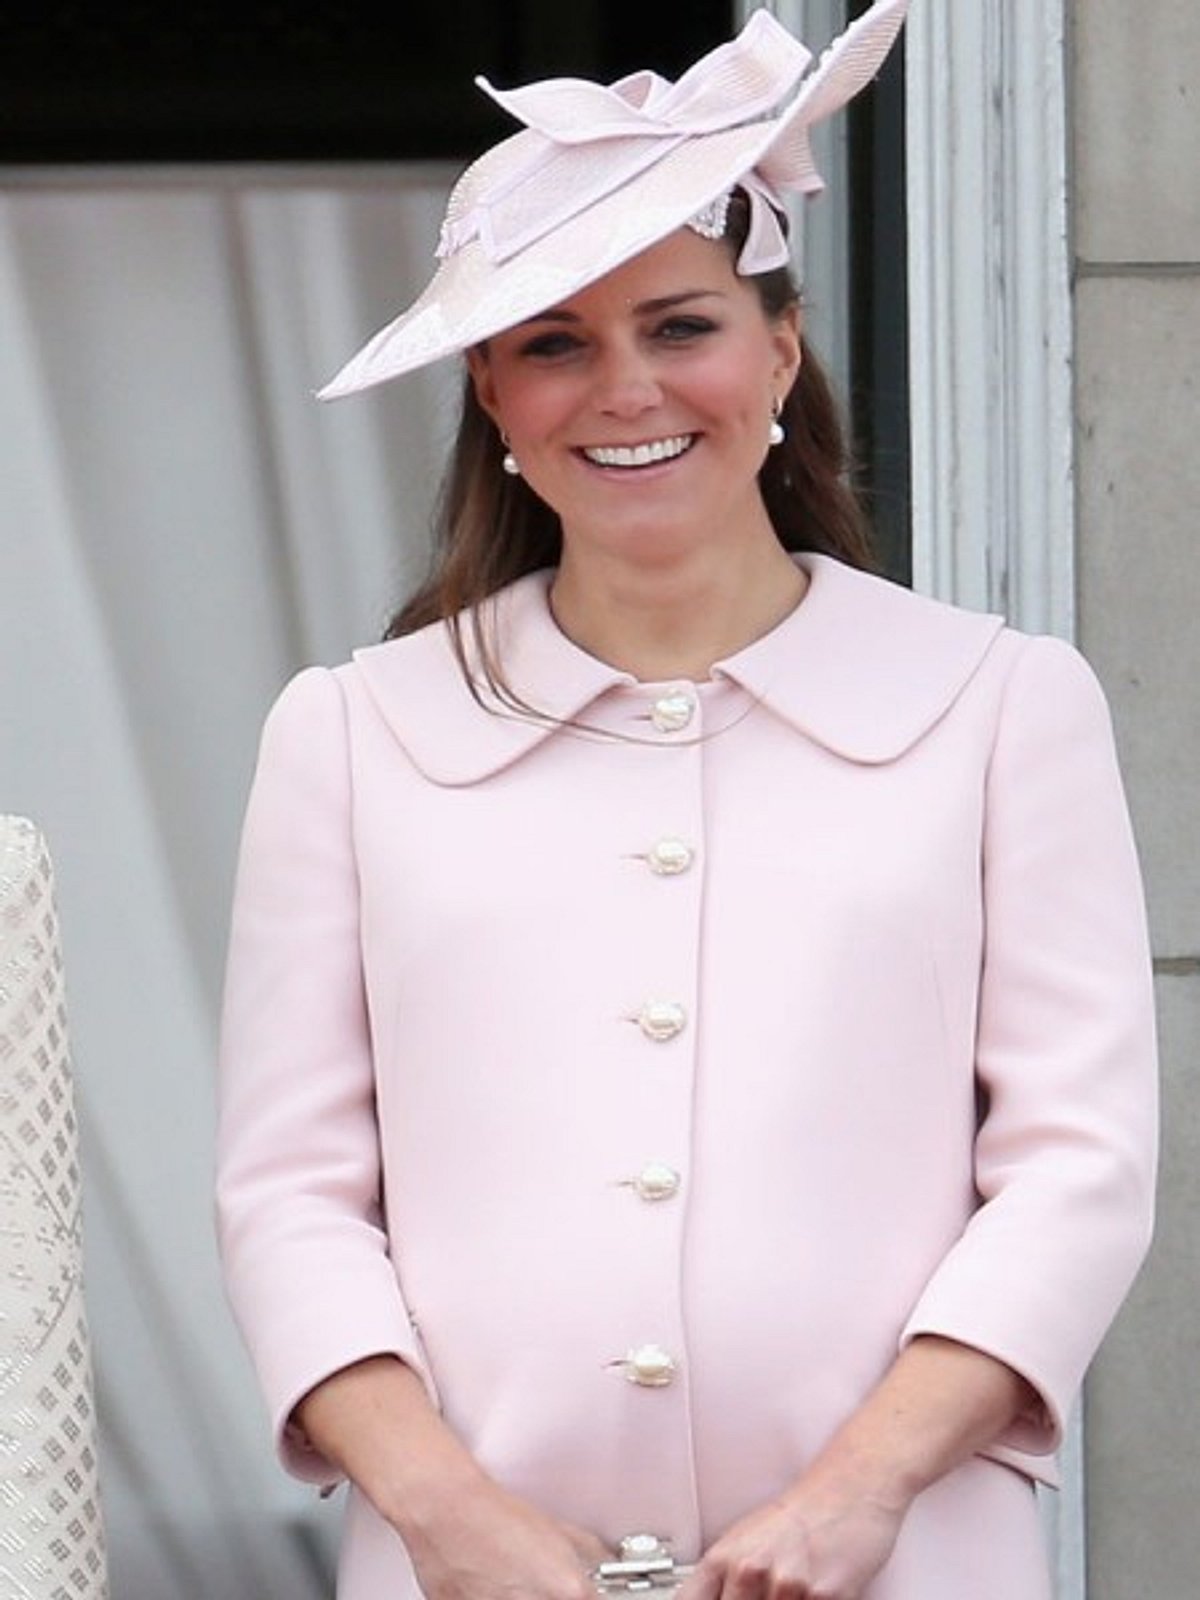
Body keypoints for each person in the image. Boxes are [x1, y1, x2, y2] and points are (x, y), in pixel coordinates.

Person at [215, 4, 1158, 1597]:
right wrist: (451, 1521)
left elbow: (1077, 1165)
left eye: (682, 326)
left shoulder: (1002, 708)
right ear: (496, 404)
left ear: (780, 349)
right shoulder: (353, 736)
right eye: (554, 343)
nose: (625, 389)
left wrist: (862, 1493)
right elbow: (291, 1196)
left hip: (899, 1565)